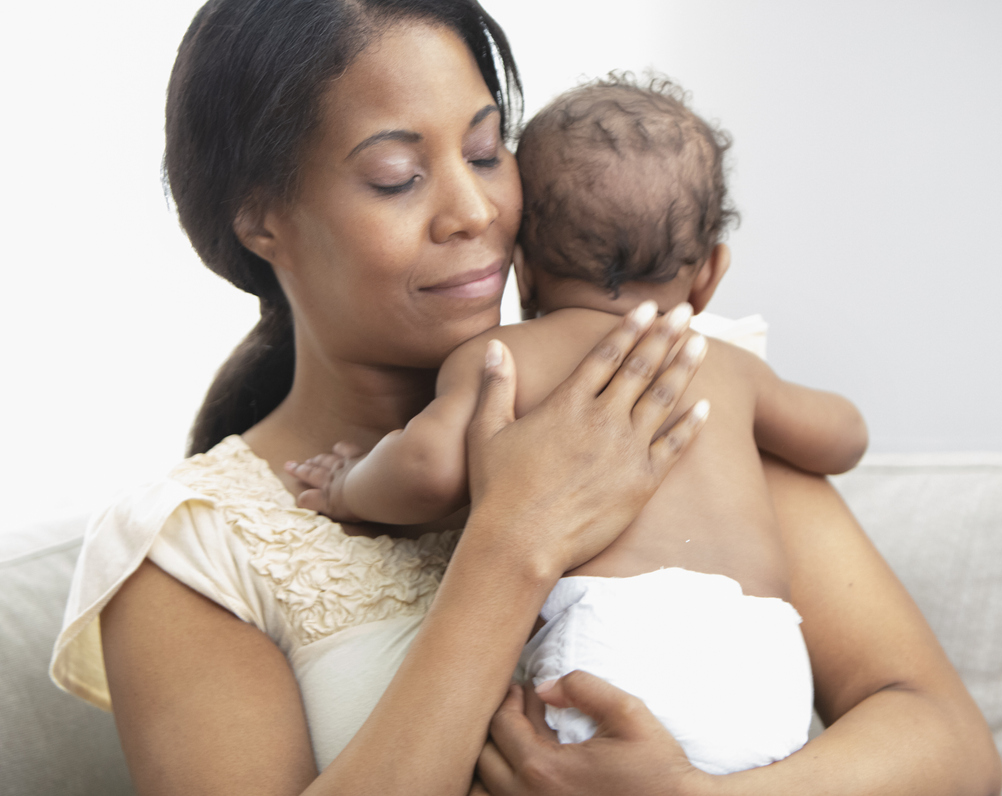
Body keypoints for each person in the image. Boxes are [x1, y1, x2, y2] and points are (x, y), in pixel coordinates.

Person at [50, 0, 1002, 794]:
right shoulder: (188, 552)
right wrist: (514, 541)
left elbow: (949, 747)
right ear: (263, 221)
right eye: (395, 176)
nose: (473, 211)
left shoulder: (658, 381)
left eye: (483, 151)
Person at [286, 76, 870, 775]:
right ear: (710, 275)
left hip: (613, 654)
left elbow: (428, 470)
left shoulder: (505, 359)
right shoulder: (726, 368)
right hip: (763, 675)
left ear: (522, 271)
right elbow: (842, 438)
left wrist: (349, 486)